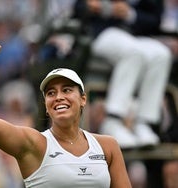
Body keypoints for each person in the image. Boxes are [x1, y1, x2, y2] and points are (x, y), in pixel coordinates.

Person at [0, 37, 132, 187]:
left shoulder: (108, 147)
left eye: (67, 90)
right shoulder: (34, 144)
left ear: (83, 99)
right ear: (46, 106)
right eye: (51, 93)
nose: (59, 97)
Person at [73, 0, 173, 149]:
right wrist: (95, 7)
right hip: (102, 32)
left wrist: (130, 14)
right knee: (134, 52)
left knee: (162, 54)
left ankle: (143, 122)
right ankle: (112, 121)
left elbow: (154, 19)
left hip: (136, 34)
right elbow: (79, 7)